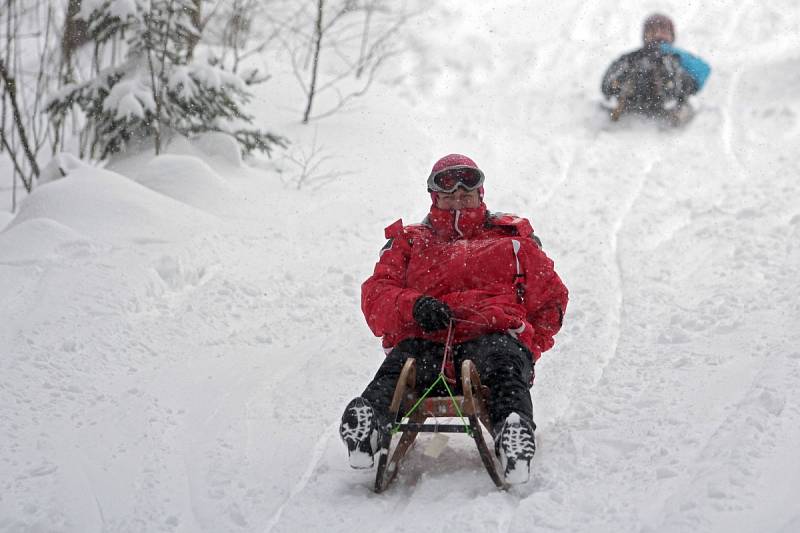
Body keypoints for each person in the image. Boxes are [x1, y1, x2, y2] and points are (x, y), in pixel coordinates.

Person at [338, 154, 569, 484]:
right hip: (428, 339)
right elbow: (376, 295)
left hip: (492, 337)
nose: (458, 199)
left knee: (504, 367)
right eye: (449, 195)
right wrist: (414, 306)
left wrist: (529, 348)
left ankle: (513, 434)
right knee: (400, 369)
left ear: (480, 194)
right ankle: (369, 426)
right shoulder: (411, 241)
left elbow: (552, 299)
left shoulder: (512, 240)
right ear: (435, 197)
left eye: (466, 193)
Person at [601, 13, 711, 125]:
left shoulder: (677, 55)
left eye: (663, 31)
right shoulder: (633, 56)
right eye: (652, 31)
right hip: (635, 95)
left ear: (671, 36)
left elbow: (702, 71)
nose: (657, 34)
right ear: (645, 35)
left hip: (666, 94)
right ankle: (623, 100)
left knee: (667, 64)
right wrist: (615, 84)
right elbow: (608, 79)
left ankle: (672, 100)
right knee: (634, 65)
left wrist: (686, 83)